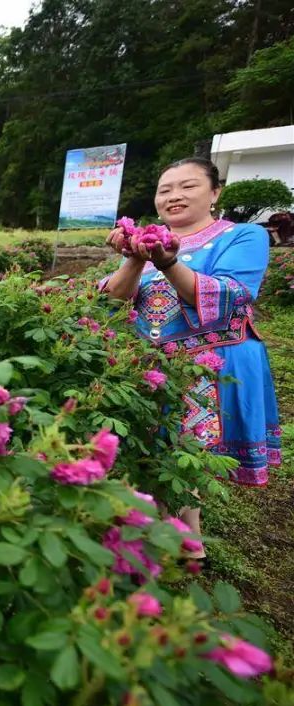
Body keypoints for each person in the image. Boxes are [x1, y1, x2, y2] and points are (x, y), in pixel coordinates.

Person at [100, 157, 282, 551]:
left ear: (215, 193)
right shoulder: (148, 243)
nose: (174, 196)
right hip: (153, 364)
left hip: (211, 363)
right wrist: (135, 257)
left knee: (187, 451)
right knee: (157, 448)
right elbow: (113, 300)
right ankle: (176, 536)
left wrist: (166, 262)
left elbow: (229, 295)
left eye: (188, 186)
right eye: (165, 190)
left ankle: (181, 541)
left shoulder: (244, 236)